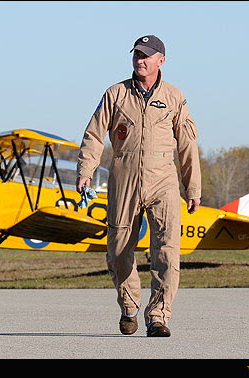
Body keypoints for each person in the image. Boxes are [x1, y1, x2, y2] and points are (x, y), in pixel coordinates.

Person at [76, 35, 201, 337]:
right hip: (124, 174)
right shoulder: (115, 94)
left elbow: (187, 145)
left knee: (167, 251)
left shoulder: (174, 97)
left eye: (146, 56)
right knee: (119, 249)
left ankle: (158, 316)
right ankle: (129, 305)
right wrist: (86, 170)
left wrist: (192, 187)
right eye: (136, 55)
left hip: (163, 178)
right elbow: (94, 135)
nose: (139, 60)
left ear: (161, 60)